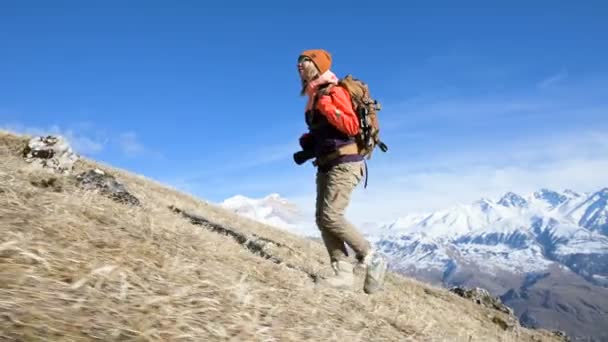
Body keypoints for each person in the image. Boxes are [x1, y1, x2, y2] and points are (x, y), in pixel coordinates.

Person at [294, 49, 388, 294]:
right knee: (322, 219)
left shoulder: (333, 91)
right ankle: (343, 274)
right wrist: (309, 144)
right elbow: (327, 132)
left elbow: (350, 125)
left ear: (317, 65)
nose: (299, 66)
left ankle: (372, 257)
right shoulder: (313, 96)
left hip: (345, 163)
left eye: (305, 62)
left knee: (331, 217)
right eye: (298, 63)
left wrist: (327, 106)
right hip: (327, 162)